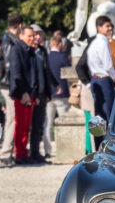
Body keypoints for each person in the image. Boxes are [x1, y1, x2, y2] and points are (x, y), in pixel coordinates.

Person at [87, 15, 115, 149]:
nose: (110, 28)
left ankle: (98, 145)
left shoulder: (94, 43)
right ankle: (107, 147)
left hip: (95, 79)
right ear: (99, 28)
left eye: (110, 26)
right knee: (109, 116)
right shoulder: (103, 43)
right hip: (104, 80)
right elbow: (108, 66)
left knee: (99, 117)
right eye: (107, 26)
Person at [8, 26, 36, 164]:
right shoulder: (17, 50)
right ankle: (19, 154)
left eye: (33, 36)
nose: (32, 39)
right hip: (21, 92)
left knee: (26, 125)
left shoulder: (29, 50)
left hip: (29, 91)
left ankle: (24, 152)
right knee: (20, 125)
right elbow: (16, 72)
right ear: (21, 36)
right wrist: (23, 92)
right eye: (29, 36)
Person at [0, 12, 23, 164]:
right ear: (20, 25)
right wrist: (15, 87)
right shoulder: (10, 42)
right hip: (9, 85)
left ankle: (8, 151)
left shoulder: (8, 40)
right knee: (12, 120)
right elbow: (9, 67)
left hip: (8, 83)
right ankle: (6, 153)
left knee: (12, 119)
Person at [29, 25, 54, 162]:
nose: (37, 37)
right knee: (32, 125)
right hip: (34, 93)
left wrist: (49, 92)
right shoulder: (29, 51)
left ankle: (36, 152)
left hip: (43, 93)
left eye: (39, 34)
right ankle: (31, 153)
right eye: (35, 34)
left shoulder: (43, 51)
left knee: (39, 124)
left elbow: (46, 73)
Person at [46, 35, 71, 157]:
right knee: (64, 121)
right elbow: (69, 74)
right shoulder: (63, 57)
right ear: (60, 44)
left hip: (49, 94)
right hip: (62, 94)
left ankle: (47, 149)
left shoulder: (46, 57)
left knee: (48, 123)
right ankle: (65, 148)